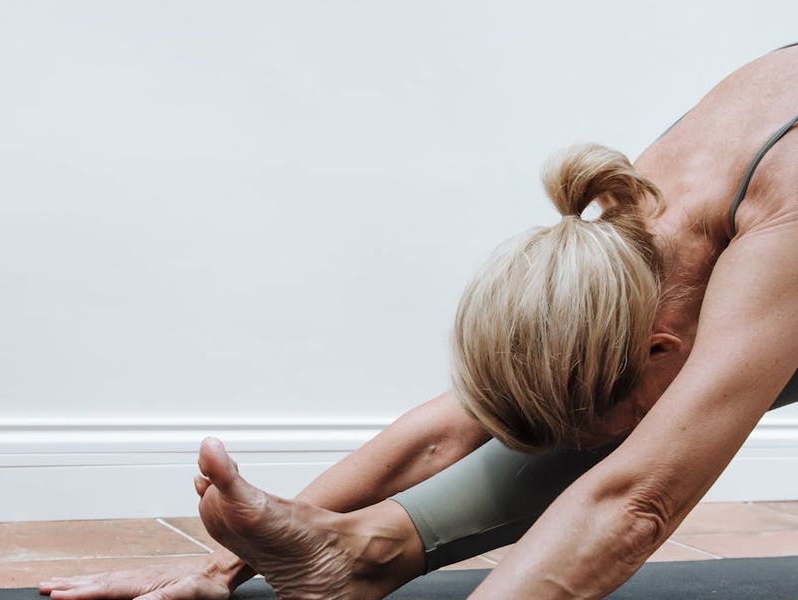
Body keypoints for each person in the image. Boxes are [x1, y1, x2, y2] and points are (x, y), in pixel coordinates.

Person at [40, 42, 798, 600]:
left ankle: (374, 549)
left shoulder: (773, 222)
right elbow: (453, 425)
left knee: (649, 432)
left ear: (662, 347)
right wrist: (220, 570)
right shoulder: (633, 225)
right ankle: (365, 554)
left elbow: (638, 502)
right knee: (605, 408)